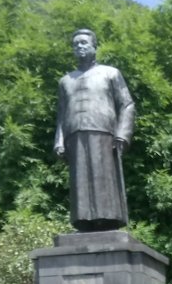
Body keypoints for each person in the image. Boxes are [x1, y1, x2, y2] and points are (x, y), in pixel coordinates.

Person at [54, 29, 135, 230]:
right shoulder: (65, 81)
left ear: (94, 47)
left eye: (84, 43)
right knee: (79, 182)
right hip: (74, 136)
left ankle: (108, 219)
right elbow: (62, 115)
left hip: (104, 133)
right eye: (76, 44)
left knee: (104, 178)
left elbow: (127, 104)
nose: (80, 47)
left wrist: (123, 134)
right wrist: (59, 141)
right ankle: (83, 222)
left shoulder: (110, 73)